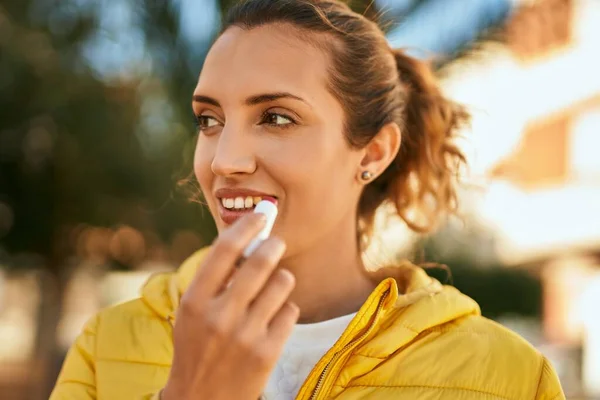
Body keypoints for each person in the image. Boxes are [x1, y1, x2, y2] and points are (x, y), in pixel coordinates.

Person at [50, 0, 565, 399]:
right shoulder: (106, 346)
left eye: (276, 118)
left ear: (374, 152)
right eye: (210, 120)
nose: (224, 161)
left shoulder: (512, 378)